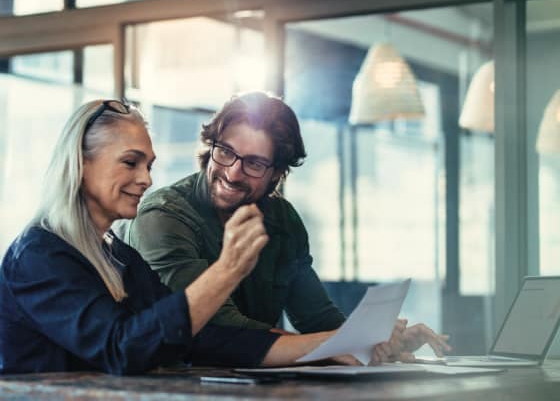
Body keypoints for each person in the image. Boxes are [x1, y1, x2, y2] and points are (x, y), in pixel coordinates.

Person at [0, 99, 447, 376]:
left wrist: (348, 342)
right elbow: (123, 349)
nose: (145, 179)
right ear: (80, 163)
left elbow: (200, 337)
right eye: (131, 162)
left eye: (149, 165)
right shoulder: (39, 255)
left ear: (275, 175)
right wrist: (229, 269)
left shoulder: (115, 254)